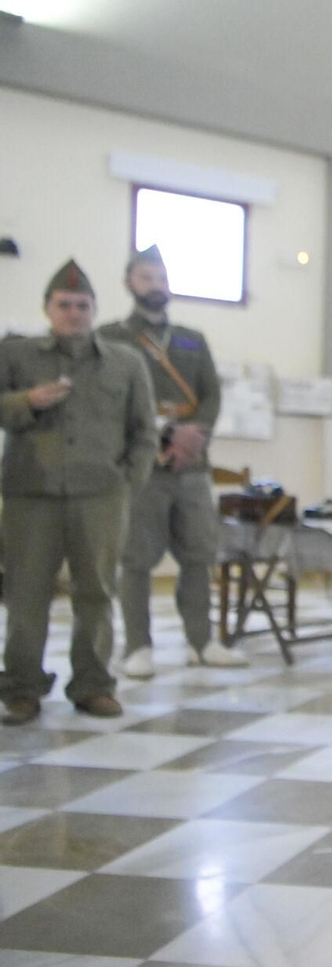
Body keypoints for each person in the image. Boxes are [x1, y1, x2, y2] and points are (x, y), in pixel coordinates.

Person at [0, 260, 158, 725]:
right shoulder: (17, 356)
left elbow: (144, 432)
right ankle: (21, 688)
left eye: (82, 305)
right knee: (26, 593)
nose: (73, 313)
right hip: (32, 493)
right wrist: (26, 401)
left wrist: (127, 485)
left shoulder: (126, 363)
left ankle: (92, 685)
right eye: (64, 304)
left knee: (96, 591)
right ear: (47, 309)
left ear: (95, 310)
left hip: (101, 496)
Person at [99, 245, 246, 676]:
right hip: (144, 463)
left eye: (162, 278)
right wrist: (165, 434)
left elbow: (211, 395)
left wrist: (193, 438)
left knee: (200, 553)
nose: (156, 285)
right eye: (147, 277)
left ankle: (202, 641)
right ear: (130, 283)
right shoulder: (112, 337)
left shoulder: (190, 339)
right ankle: (138, 647)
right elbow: (114, 400)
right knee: (137, 559)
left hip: (192, 465)